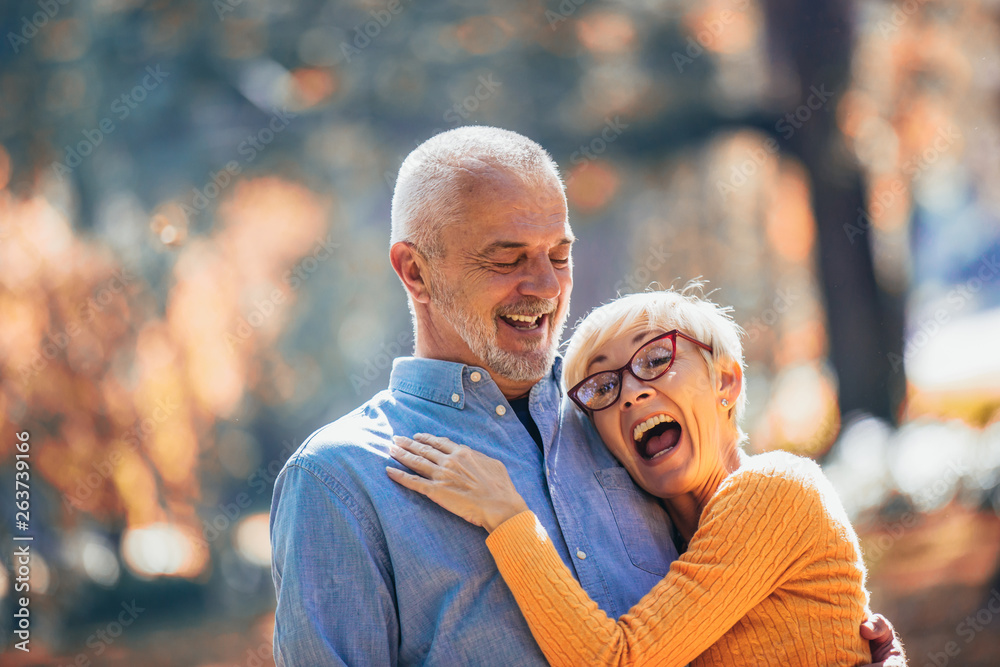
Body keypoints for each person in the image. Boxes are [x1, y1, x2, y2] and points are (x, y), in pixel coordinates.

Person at [269, 126, 905, 665]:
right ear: (416, 271)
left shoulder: (622, 428)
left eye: (559, 254)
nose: (544, 285)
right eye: (507, 258)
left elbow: (760, 604)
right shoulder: (339, 480)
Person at [388, 287, 907, 666]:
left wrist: (506, 516)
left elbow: (618, 661)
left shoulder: (775, 488)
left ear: (725, 381)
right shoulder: (662, 551)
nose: (631, 392)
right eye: (601, 386)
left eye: (656, 358)